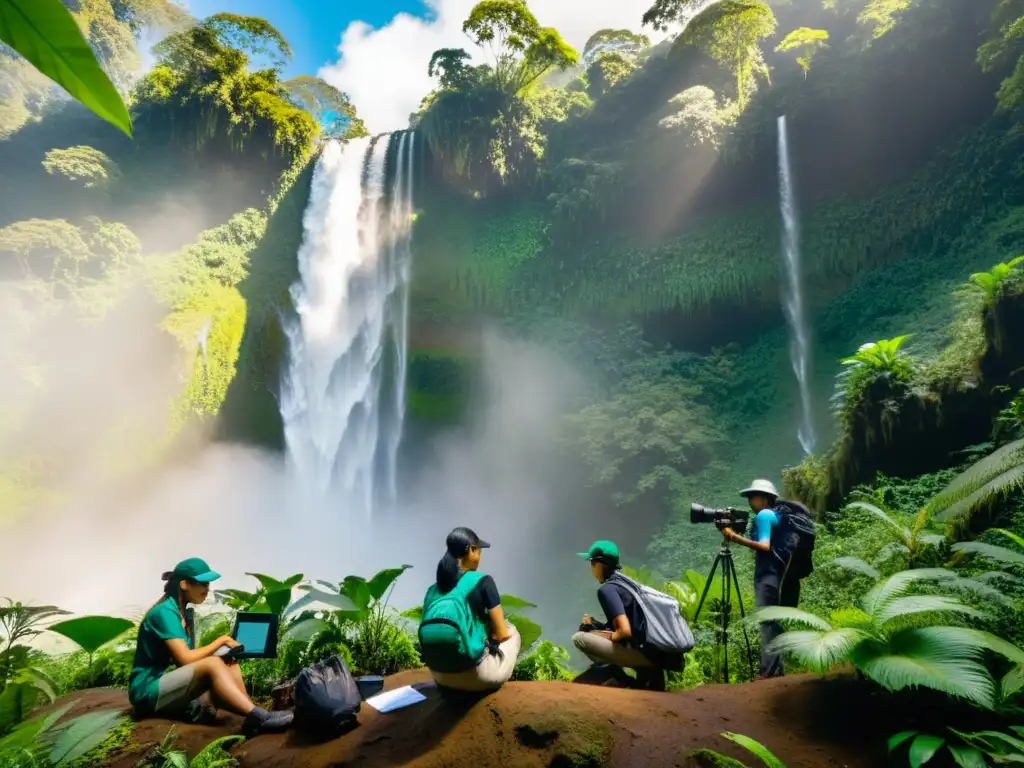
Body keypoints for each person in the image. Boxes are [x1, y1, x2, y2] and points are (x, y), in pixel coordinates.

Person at [129, 558, 293, 736]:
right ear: (184, 584)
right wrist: (220, 641)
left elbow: (187, 661)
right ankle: (260, 717)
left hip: (164, 688)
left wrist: (223, 654)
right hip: (147, 692)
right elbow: (185, 659)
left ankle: (251, 713)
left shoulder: (182, 613)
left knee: (228, 660)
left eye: (208, 584)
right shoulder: (164, 613)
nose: (207, 589)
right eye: (203, 584)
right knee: (214, 663)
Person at [419, 527, 521, 693]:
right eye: (479, 550)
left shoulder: (433, 590)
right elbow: (502, 634)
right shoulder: (483, 581)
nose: (480, 556)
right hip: (476, 677)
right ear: (472, 550)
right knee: (512, 631)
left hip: (439, 677)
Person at [571, 540, 681, 691]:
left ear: (600, 564)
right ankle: (645, 676)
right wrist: (599, 626)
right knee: (595, 632)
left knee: (579, 638)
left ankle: (615, 674)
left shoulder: (607, 590)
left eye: (592, 564)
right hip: (659, 655)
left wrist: (603, 635)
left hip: (645, 657)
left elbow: (624, 631)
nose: (591, 569)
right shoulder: (627, 585)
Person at [721, 479, 800, 678]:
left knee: (766, 622)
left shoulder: (765, 515)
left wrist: (733, 537)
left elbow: (764, 546)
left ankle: (767, 672)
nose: (749, 501)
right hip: (778, 575)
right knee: (772, 622)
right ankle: (776, 670)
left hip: (768, 576)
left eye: (753, 497)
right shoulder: (777, 516)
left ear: (765, 498)